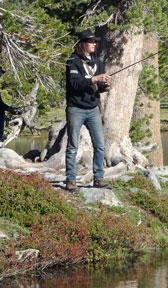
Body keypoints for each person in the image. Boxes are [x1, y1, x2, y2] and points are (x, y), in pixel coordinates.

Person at [65, 28, 111, 192]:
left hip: (93, 109)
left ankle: (99, 178)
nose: (94, 44)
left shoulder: (98, 62)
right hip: (75, 108)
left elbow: (96, 87)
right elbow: (75, 84)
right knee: (72, 146)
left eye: (95, 41)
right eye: (91, 41)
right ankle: (70, 180)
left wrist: (103, 87)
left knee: (99, 145)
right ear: (81, 43)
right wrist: (94, 79)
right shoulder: (72, 62)